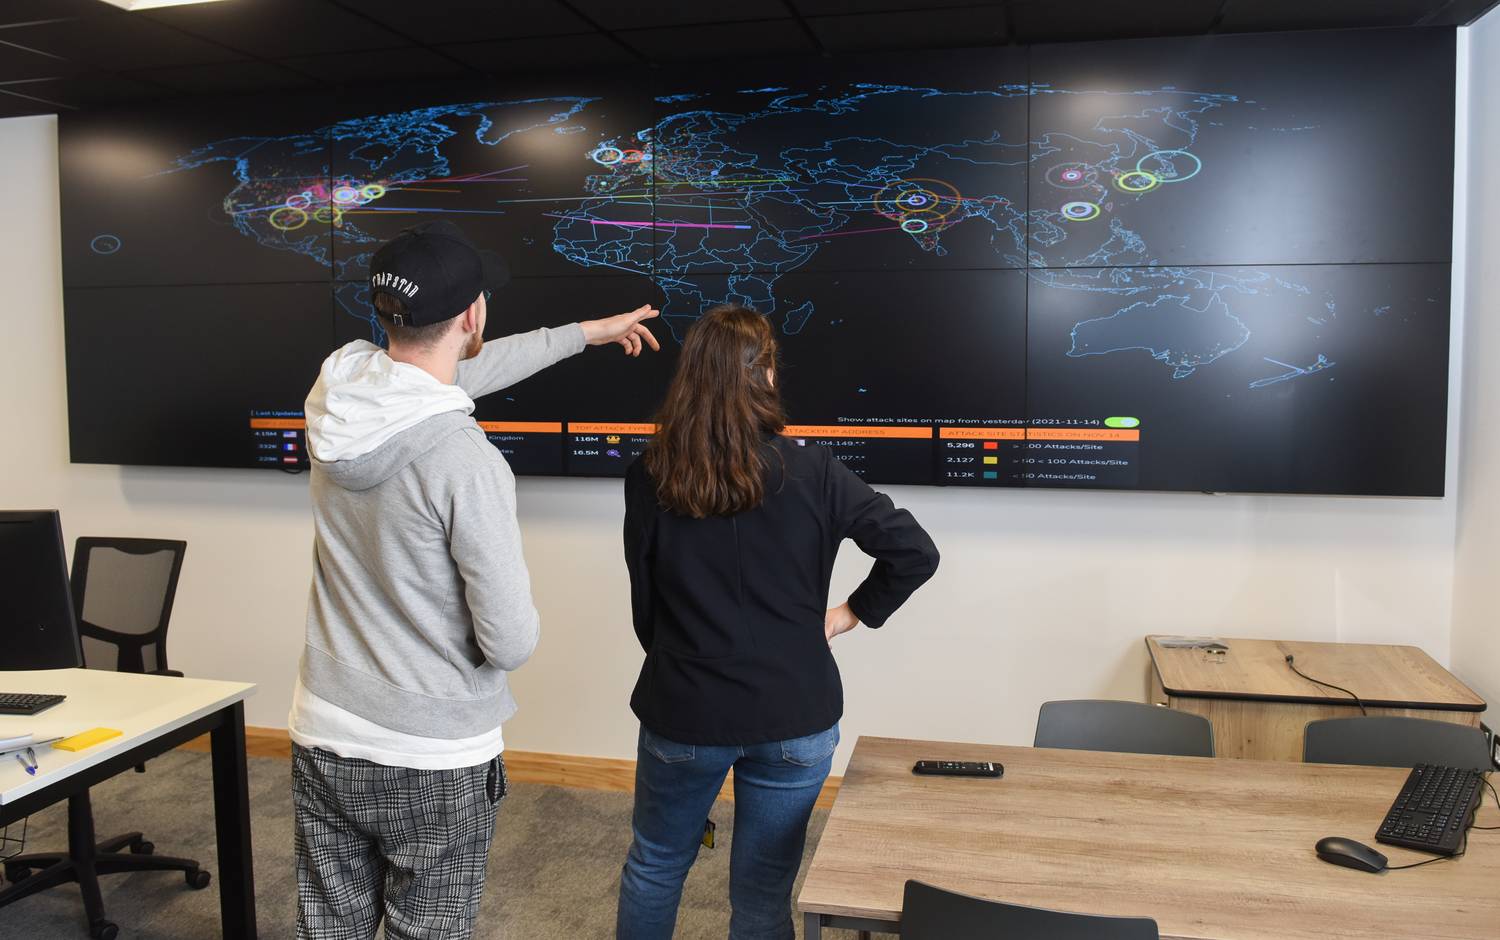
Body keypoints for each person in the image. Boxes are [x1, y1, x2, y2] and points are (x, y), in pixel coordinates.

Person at [291, 220, 659, 940]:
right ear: (473, 316)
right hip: (430, 751)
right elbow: (510, 639)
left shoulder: (337, 388)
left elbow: (447, 377)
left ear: (384, 312)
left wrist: (584, 333)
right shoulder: (466, 461)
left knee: (329, 927)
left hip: (323, 724)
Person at [615, 304, 940, 939]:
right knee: (763, 895)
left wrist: (682, 656)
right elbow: (915, 552)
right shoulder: (816, 472)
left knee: (655, 866)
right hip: (795, 713)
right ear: (763, 376)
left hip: (685, 707)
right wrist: (847, 617)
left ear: (694, 378)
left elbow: (645, 606)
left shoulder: (650, 473)